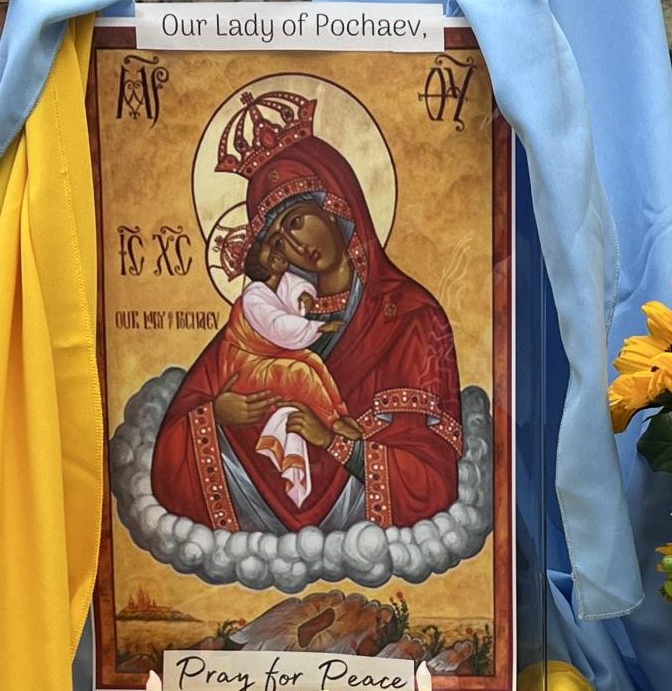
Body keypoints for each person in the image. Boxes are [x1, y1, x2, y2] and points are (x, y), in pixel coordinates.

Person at [151, 90, 463, 535]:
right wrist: (216, 415)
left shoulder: (413, 318)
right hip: (259, 526)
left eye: (297, 220)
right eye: (278, 242)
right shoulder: (266, 314)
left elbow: (434, 482)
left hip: (359, 530)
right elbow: (167, 461)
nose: (296, 247)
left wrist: (334, 444)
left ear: (335, 203)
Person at [216, 232, 362, 510]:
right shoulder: (253, 297)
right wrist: (317, 327)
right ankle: (332, 422)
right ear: (258, 266)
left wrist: (304, 295)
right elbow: (279, 326)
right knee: (300, 373)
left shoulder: (278, 285)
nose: (279, 254)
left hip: (268, 359)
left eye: (276, 249)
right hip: (246, 370)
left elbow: (293, 288)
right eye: (270, 253)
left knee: (313, 362)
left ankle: (339, 415)